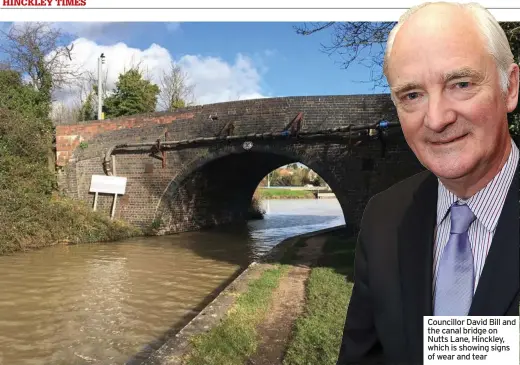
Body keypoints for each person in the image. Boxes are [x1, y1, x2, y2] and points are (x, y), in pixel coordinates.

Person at [336, 2, 519, 364]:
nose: (436, 119)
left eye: (461, 84)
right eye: (412, 95)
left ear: (510, 88)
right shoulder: (384, 218)